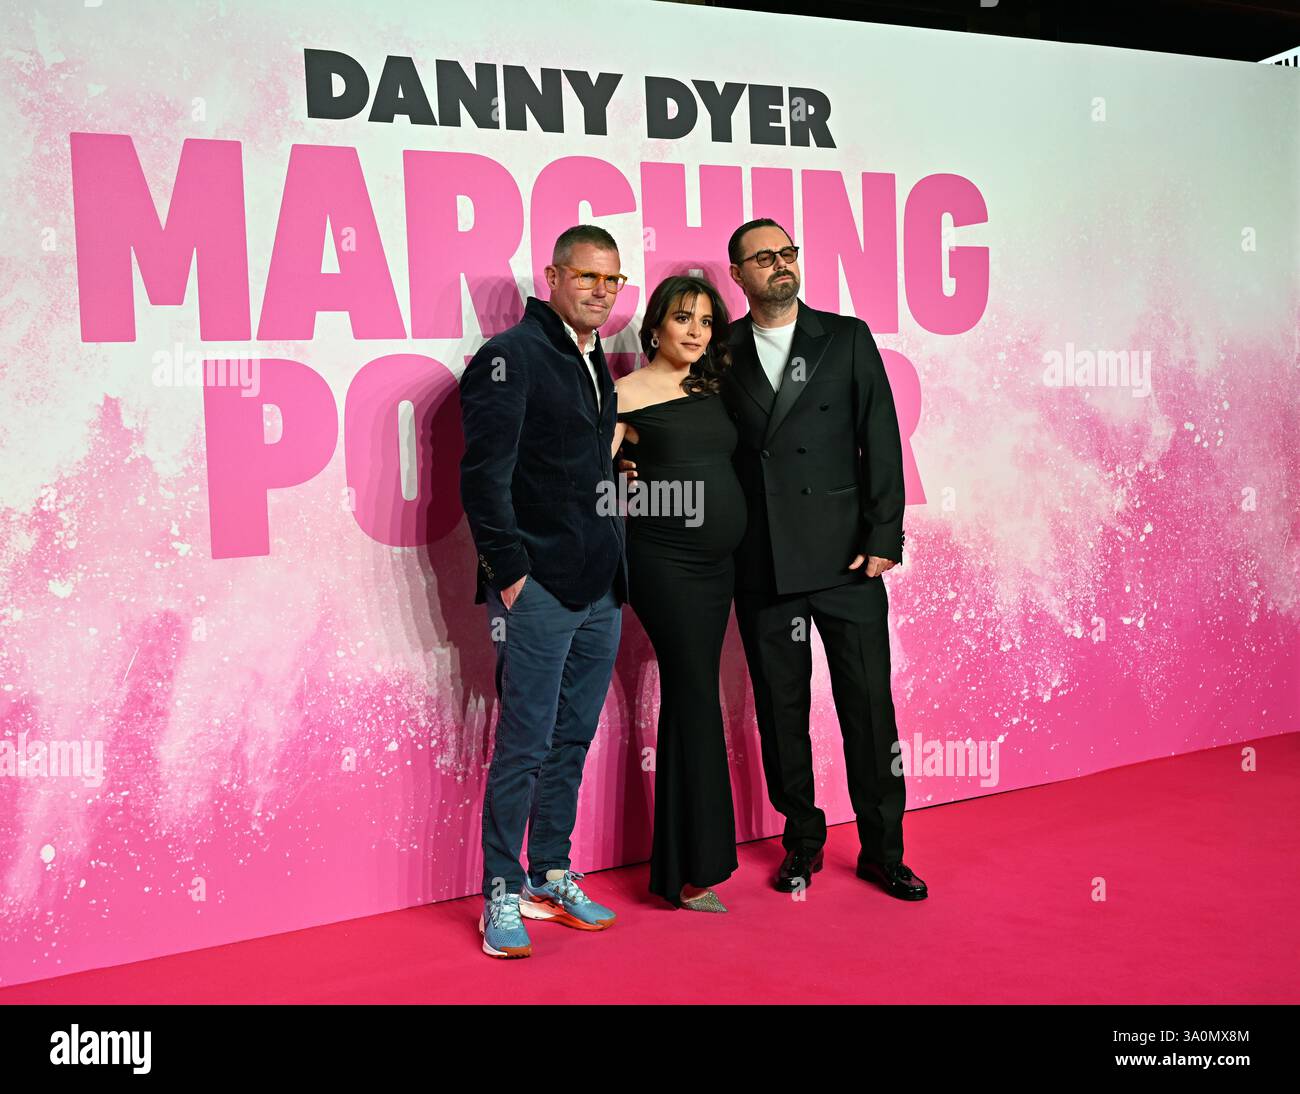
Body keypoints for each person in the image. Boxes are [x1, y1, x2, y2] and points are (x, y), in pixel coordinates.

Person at [621, 220, 926, 901]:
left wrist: (885, 535)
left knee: (870, 711)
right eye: (764, 258)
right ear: (739, 275)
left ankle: (884, 849)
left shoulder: (845, 337)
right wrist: (633, 465)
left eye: (788, 252)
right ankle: (803, 843)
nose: (781, 265)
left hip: (849, 561)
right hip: (763, 565)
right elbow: (688, 432)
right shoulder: (719, 355)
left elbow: (881, 436)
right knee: (780, 714)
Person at [458, 225, 630, 958]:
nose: (600, 290)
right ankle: (500, 893)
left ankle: (549, 873)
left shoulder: (597, 364)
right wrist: (513, 577)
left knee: (572, 738)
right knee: (524, 742)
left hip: (601, 589)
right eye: (587, 276)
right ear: (555, 277)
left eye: (612, 280)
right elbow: (482, 480)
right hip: (540, 591)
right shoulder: (510, 357)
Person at [612, 275, 746, 912]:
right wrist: (621, 474)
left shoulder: (714, 388)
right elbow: (594, 489)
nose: (695, 331)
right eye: (681, 319)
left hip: (719, 567)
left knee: (693, 696)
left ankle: (682, 866)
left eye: (704, 321)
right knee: (694, 693)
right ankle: (696, 870)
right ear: (655, 327)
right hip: (663, 563)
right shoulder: (622, 395)